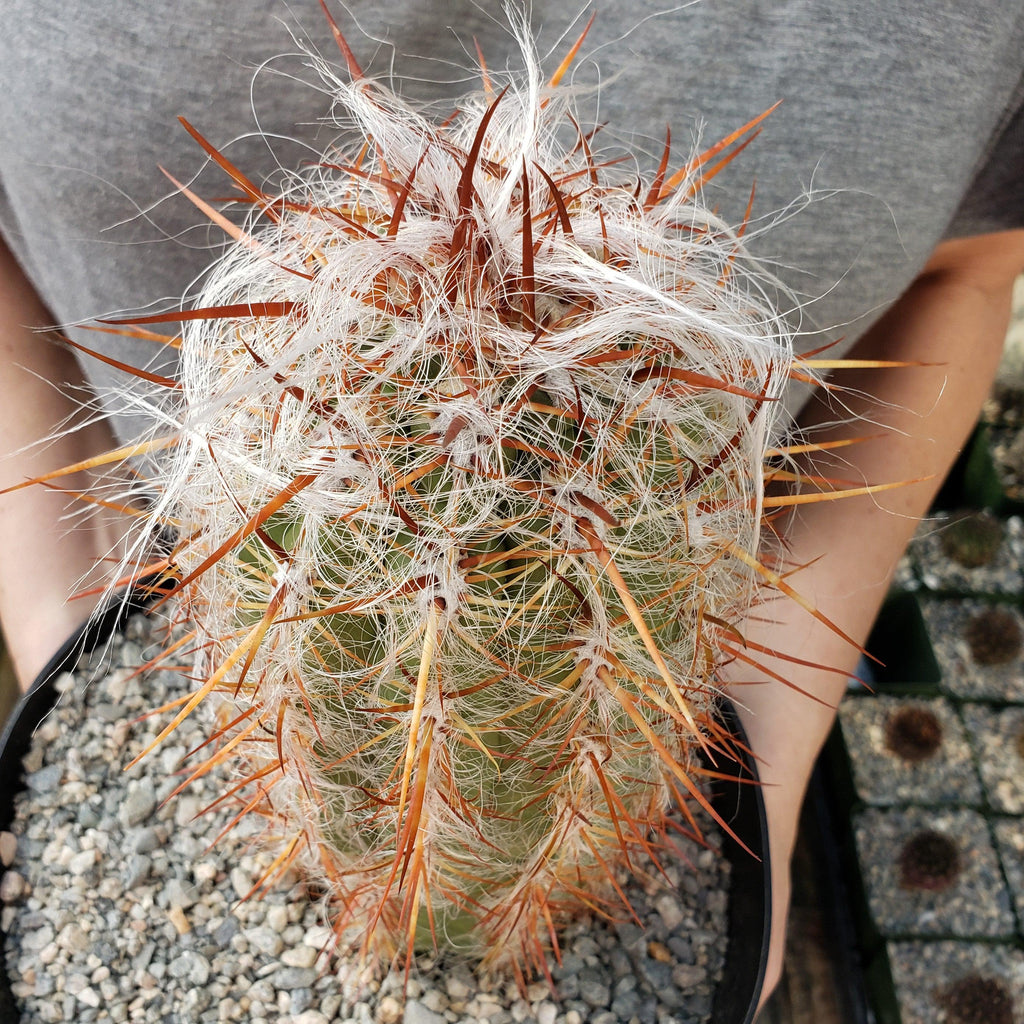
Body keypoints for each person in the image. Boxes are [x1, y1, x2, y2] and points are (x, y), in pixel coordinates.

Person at [1, 2, 1022, 1012]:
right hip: (165, 568)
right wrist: (69, 589)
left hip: (680, 618)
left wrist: (768, 719)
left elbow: (970, 268)